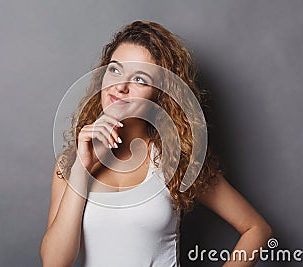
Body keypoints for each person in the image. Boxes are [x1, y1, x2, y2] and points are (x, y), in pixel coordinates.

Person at [39, 20, 273, 267]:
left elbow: (256, 228)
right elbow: (54, 263)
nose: (120, 86)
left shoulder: (178, 159)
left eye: (139, 79)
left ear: (160, 93)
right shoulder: (70, 164)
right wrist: (81, 170)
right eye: (115, 70)